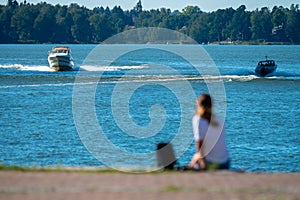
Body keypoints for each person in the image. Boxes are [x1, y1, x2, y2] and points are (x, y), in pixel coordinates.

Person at [189, 94, 230, 170]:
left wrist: (201, 163)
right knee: (195, 158)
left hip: (210, 162)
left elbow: (200, 147)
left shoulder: (198, 120)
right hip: (225, 162)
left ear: (198, 104)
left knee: (195, 160)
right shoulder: (220, 120)